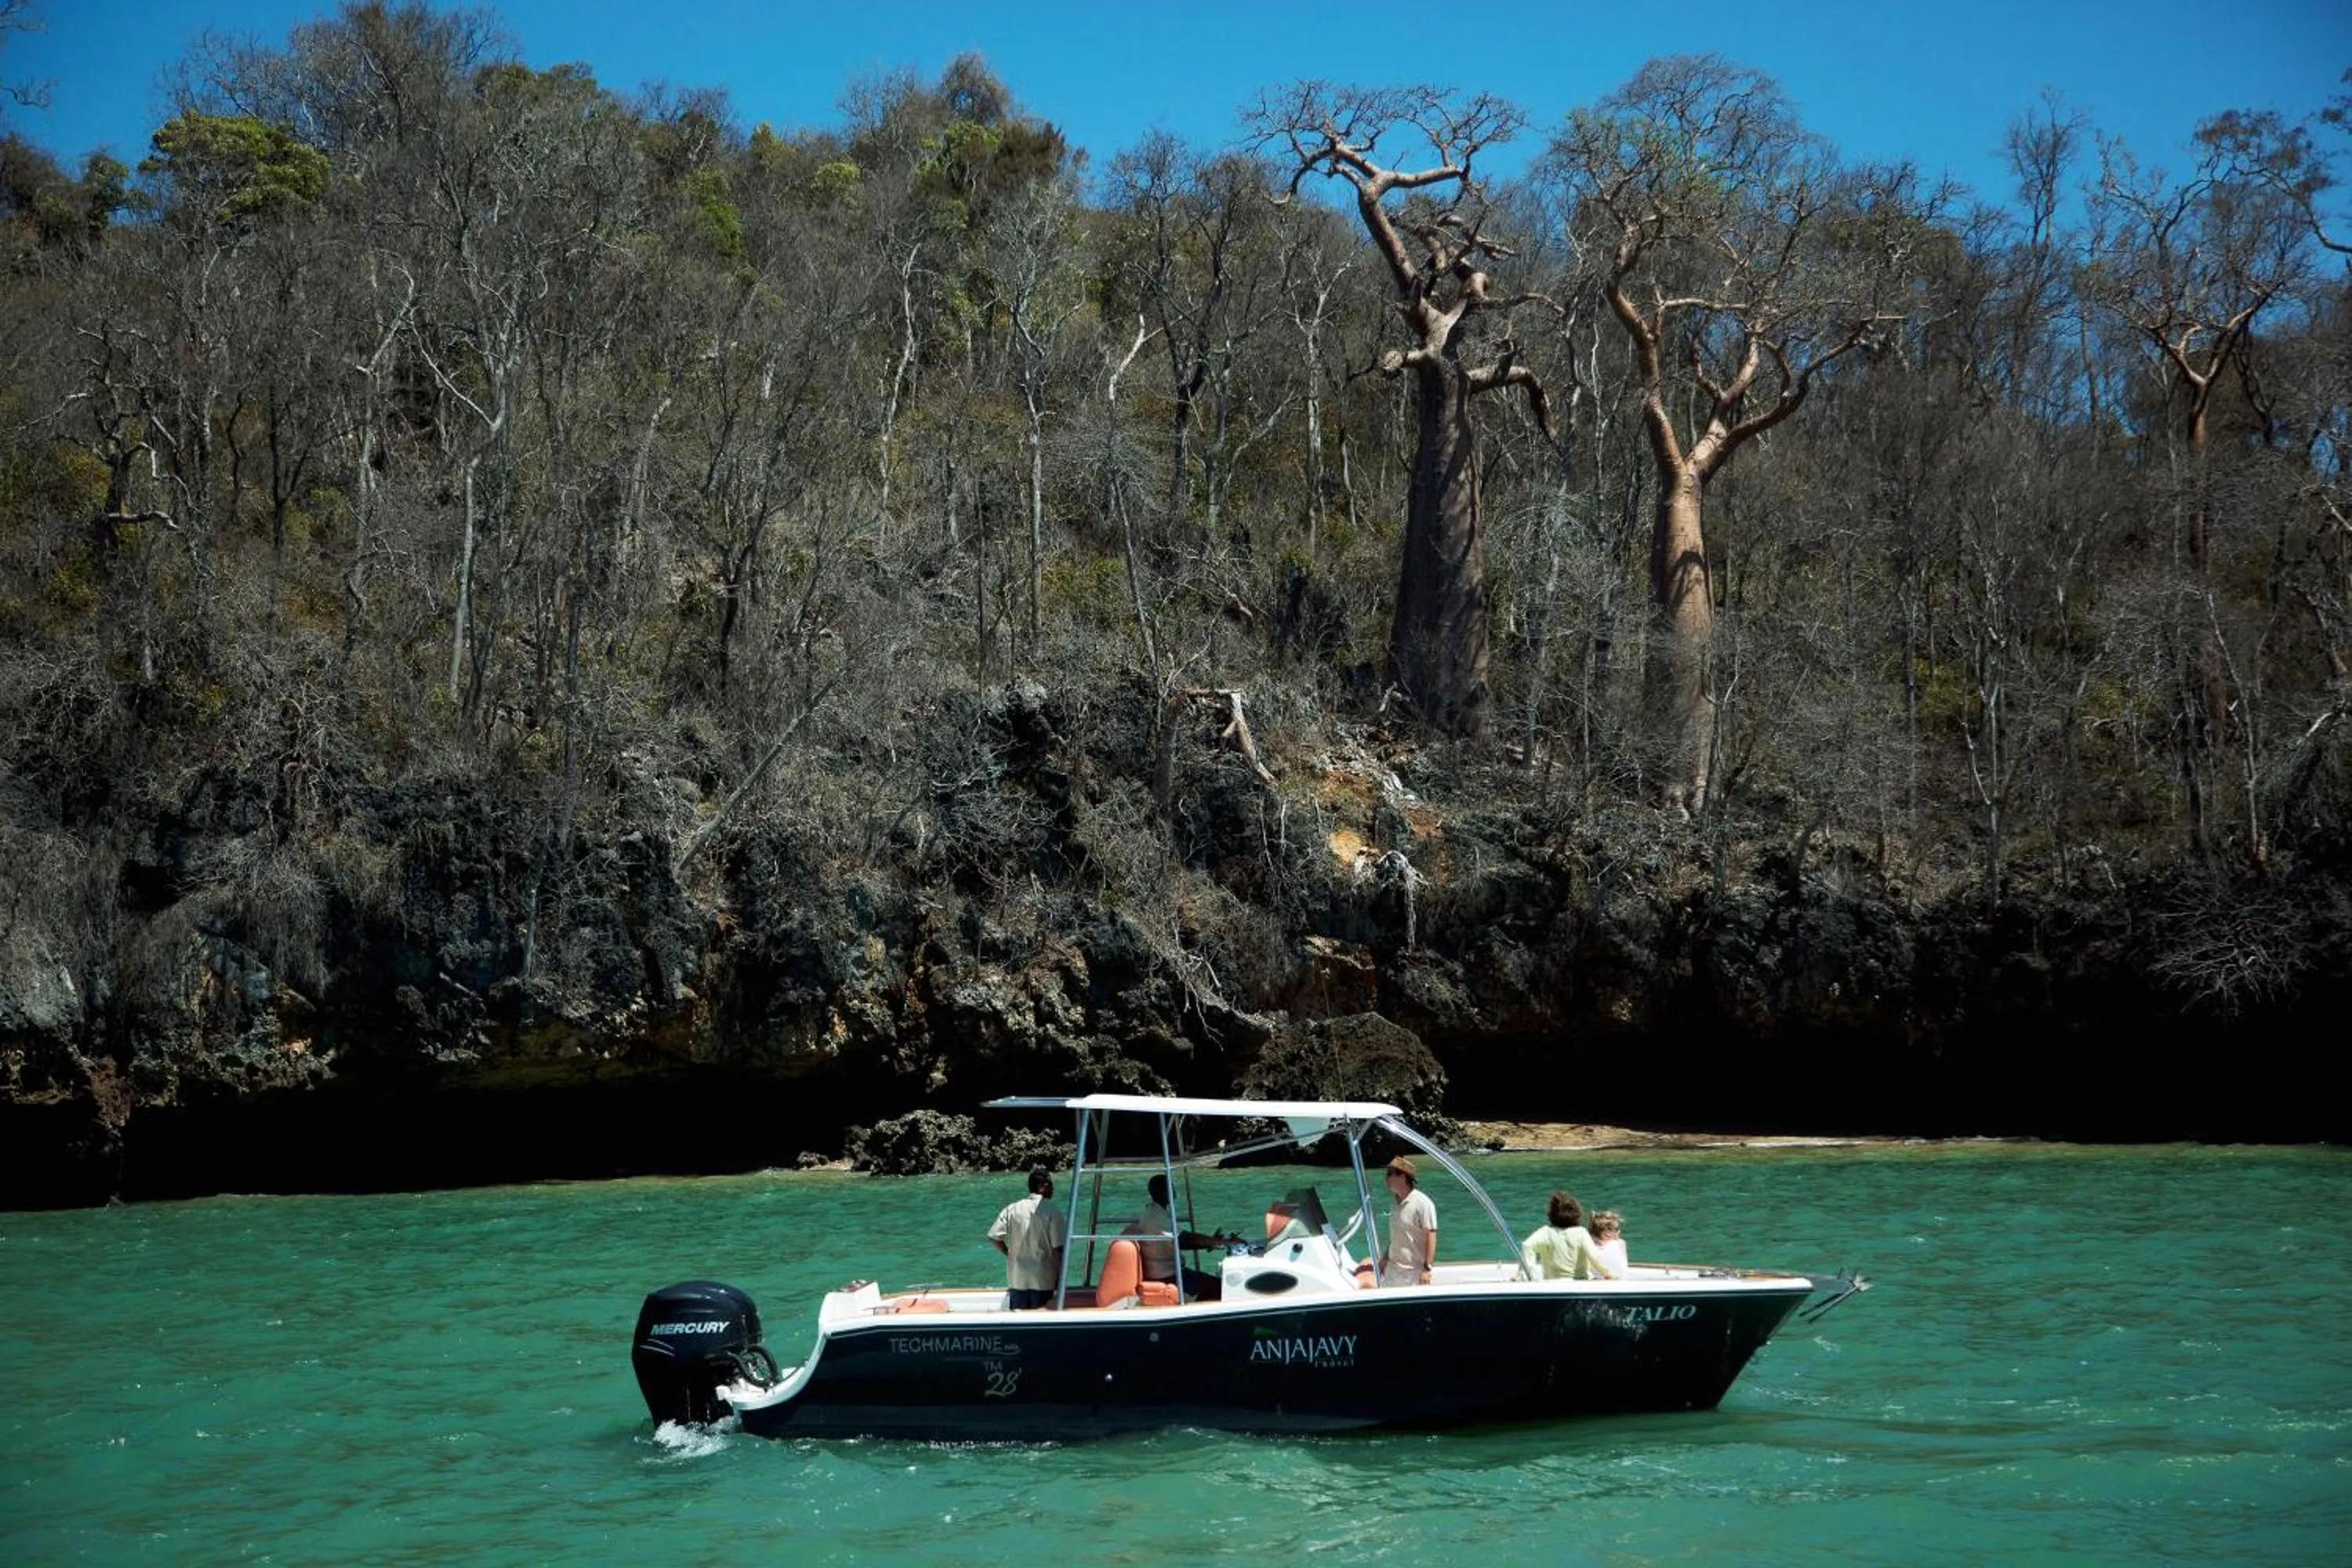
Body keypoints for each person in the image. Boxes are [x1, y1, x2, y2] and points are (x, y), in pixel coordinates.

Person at [1127, 1174, 1232, 1301]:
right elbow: (1184, 1240)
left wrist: (1212, 1241)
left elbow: (1183, 1239)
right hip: (1169, 1276)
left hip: (1172, 1271)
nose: (1173, 1190)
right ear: (1162, 1192)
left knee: (1212, 1280)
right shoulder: (1156, 1217)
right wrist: (1219, 1242)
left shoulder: (1156, 1212)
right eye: (1170, 1187)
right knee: (1221, 1287)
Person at [988, 1168, 1068, 1309]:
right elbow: (1057, 1249)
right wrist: (1060, 1280)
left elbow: (994, 1236)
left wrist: (1009, 1253)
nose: (1053, 1188)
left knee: (1018, 1322)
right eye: (1050, 1184)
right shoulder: (1052, 1211)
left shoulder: (1012, 1209)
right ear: (1041, 1186)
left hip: (1017, 1279)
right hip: (1043, 1279)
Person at [1520, 1190, 1617, 1279]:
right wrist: (1606, 1273)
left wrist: (1525, 1274)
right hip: (1580, 1283)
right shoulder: (1581, 1232)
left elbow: (1527, 1245)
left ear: (1551, 1215)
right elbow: (1594, 1257)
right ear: (1577, 1214)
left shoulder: (1545, 1232)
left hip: (1552, 1284)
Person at [1377, 1155, 1437, 1287]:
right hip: (1393, 1270)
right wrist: (1385, 1259)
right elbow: (1397, 1236)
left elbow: (1431, 1236)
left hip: (1413, 1273)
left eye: (1390, 1174)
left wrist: (1427, 1269)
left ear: (1403, 1177)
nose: (1386, 1178)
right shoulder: (1395, 1203)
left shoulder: (1422, 1203)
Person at [1591, 1209, 1628, 1278]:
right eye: (1616, 1229)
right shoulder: (1620, 1243)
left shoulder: (1588, 1243)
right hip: (1617, 1282)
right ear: (1607, 1233)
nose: (1619, 1231)